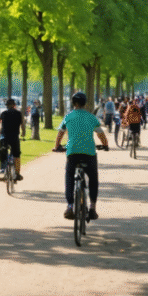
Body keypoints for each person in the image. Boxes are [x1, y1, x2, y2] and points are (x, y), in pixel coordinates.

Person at [54, 92, 109, 221]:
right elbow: (101, 135)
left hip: (72, 152)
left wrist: (57, 146)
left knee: (69, 177)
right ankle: (92, 208)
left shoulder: (68, 117)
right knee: (93, 178)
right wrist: (105, 145)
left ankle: (70, 205)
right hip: (89, 153)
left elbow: (60, 134)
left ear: (73, 103)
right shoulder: (92, 118)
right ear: (85, 103)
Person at [0, 98, 24, 181]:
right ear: (14, 105)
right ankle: (17, 173)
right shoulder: (18, 113)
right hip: (14, 137)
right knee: (17, 155)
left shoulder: (3, 113)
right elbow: (22, 124)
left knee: (2, 151)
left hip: (5, 136)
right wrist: (23, 133)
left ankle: (3, 169)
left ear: (7, 106)